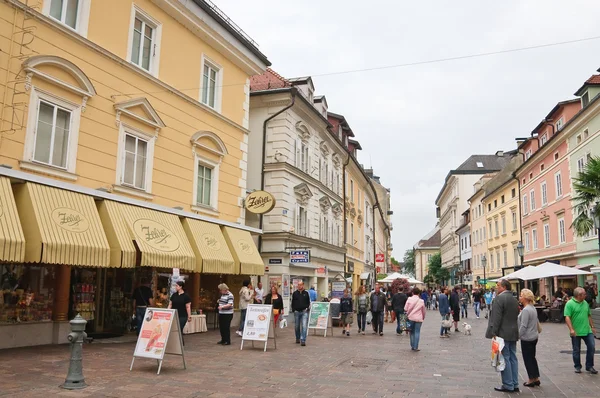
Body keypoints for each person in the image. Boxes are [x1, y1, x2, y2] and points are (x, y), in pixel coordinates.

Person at [486, 279, 520, 393]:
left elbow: (496, 317)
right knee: (513, 357)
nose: (497, 287)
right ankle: (515, 383)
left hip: (502, 333)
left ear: (504, 287)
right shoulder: (514, 299)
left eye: (498, 285)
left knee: (504, 358)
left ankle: (508, 384)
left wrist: (494, 332)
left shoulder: (499, 299)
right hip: (513, 331)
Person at [565, 287, 597, 374]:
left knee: (591, 347)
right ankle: (577, 366)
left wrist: (592, 326)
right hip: (576, 331)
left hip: (587, 330)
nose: (586, 295)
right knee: (576, 349)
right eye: (584, 294)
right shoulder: (569, 304)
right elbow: (567, 317)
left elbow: (589, 315)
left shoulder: (585, 303)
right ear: (579, 295)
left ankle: (589, 366)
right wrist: (571, 329)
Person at [518, 288, 541, 387]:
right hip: (534, 336)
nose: (519, 297)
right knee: (532, 358)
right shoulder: (532, 308)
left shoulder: (526, 310)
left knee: (528, 359)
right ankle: (536, 377)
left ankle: (531, 379)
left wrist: (517, 336)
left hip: (527, 337)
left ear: (525, 298)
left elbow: (523, 326)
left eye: (521, 295)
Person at [167, 281, 191, 345]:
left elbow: (188, 307)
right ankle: (179, 343)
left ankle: (179, 343)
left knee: (179, 328)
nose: (176, 287)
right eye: (175, 286)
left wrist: (189, 316)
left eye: (177, 286)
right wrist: (167, 311)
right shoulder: (174, 295)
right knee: (175, 329)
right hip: (174, 314)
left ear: (181, 287)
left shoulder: (186, 296)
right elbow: (170, 304)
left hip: (183, 315)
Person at [405, 287, 426, 351]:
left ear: (412, 292)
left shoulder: (409, 299)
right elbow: (423, 311)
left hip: (410, 318)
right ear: (419, 293)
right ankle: (416, 346)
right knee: (417, 332)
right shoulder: (421, 301)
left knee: (411, 332)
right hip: (419, 318)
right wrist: (423, 317)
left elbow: (405, 309)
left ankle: (412, 345)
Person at [291, 280, 311, 346]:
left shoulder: (306, 293)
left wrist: (307, 308)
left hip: (304, 311)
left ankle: (303, 340)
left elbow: (308, 302)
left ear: (303, 285)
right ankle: (297, 337)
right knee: (297, 326)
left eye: (301, 285)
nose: (299, 286)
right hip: (296, 312)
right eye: (298, 285)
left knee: (304, 325)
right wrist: (293, 309)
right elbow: (293, 302)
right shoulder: (295, 293)